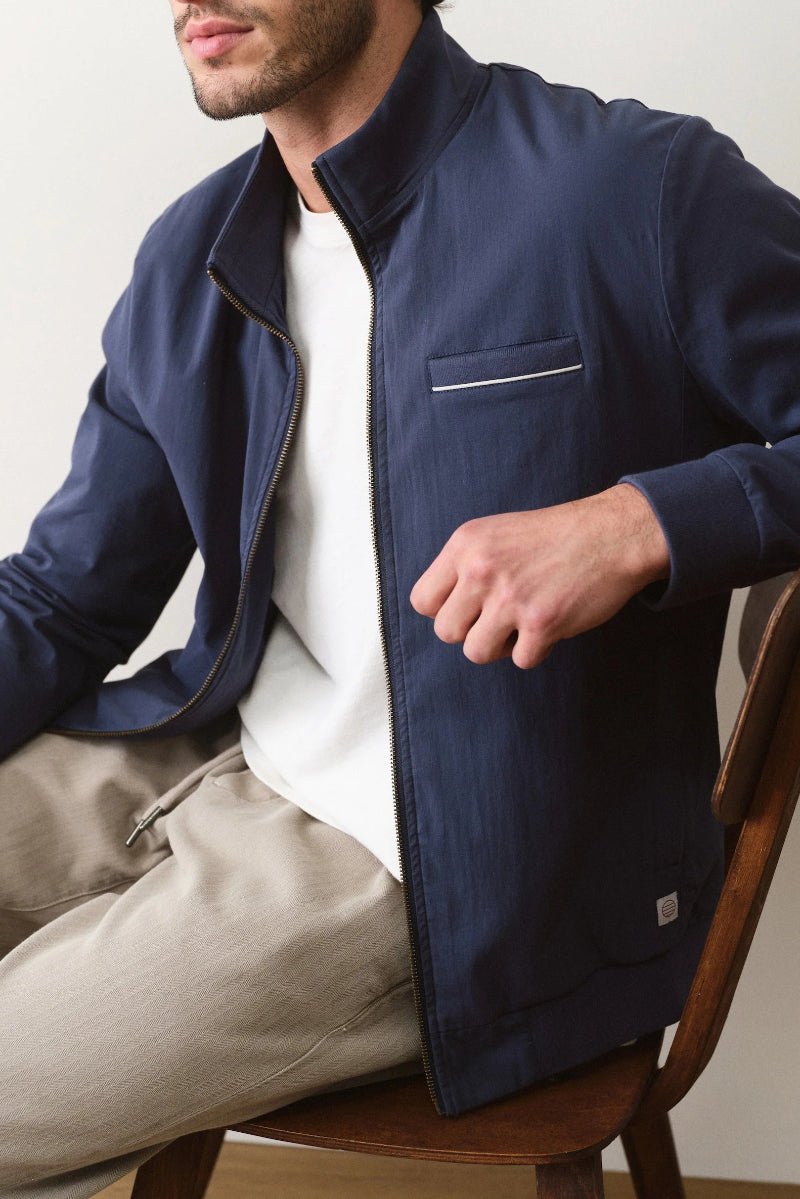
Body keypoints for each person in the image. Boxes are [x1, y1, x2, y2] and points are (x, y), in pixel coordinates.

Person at [1, 1, 799, 1193]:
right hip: (209, 754)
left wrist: (636, 522)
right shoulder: (194, 255)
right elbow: (67, 593)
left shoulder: (628, 185)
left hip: (443, 869)